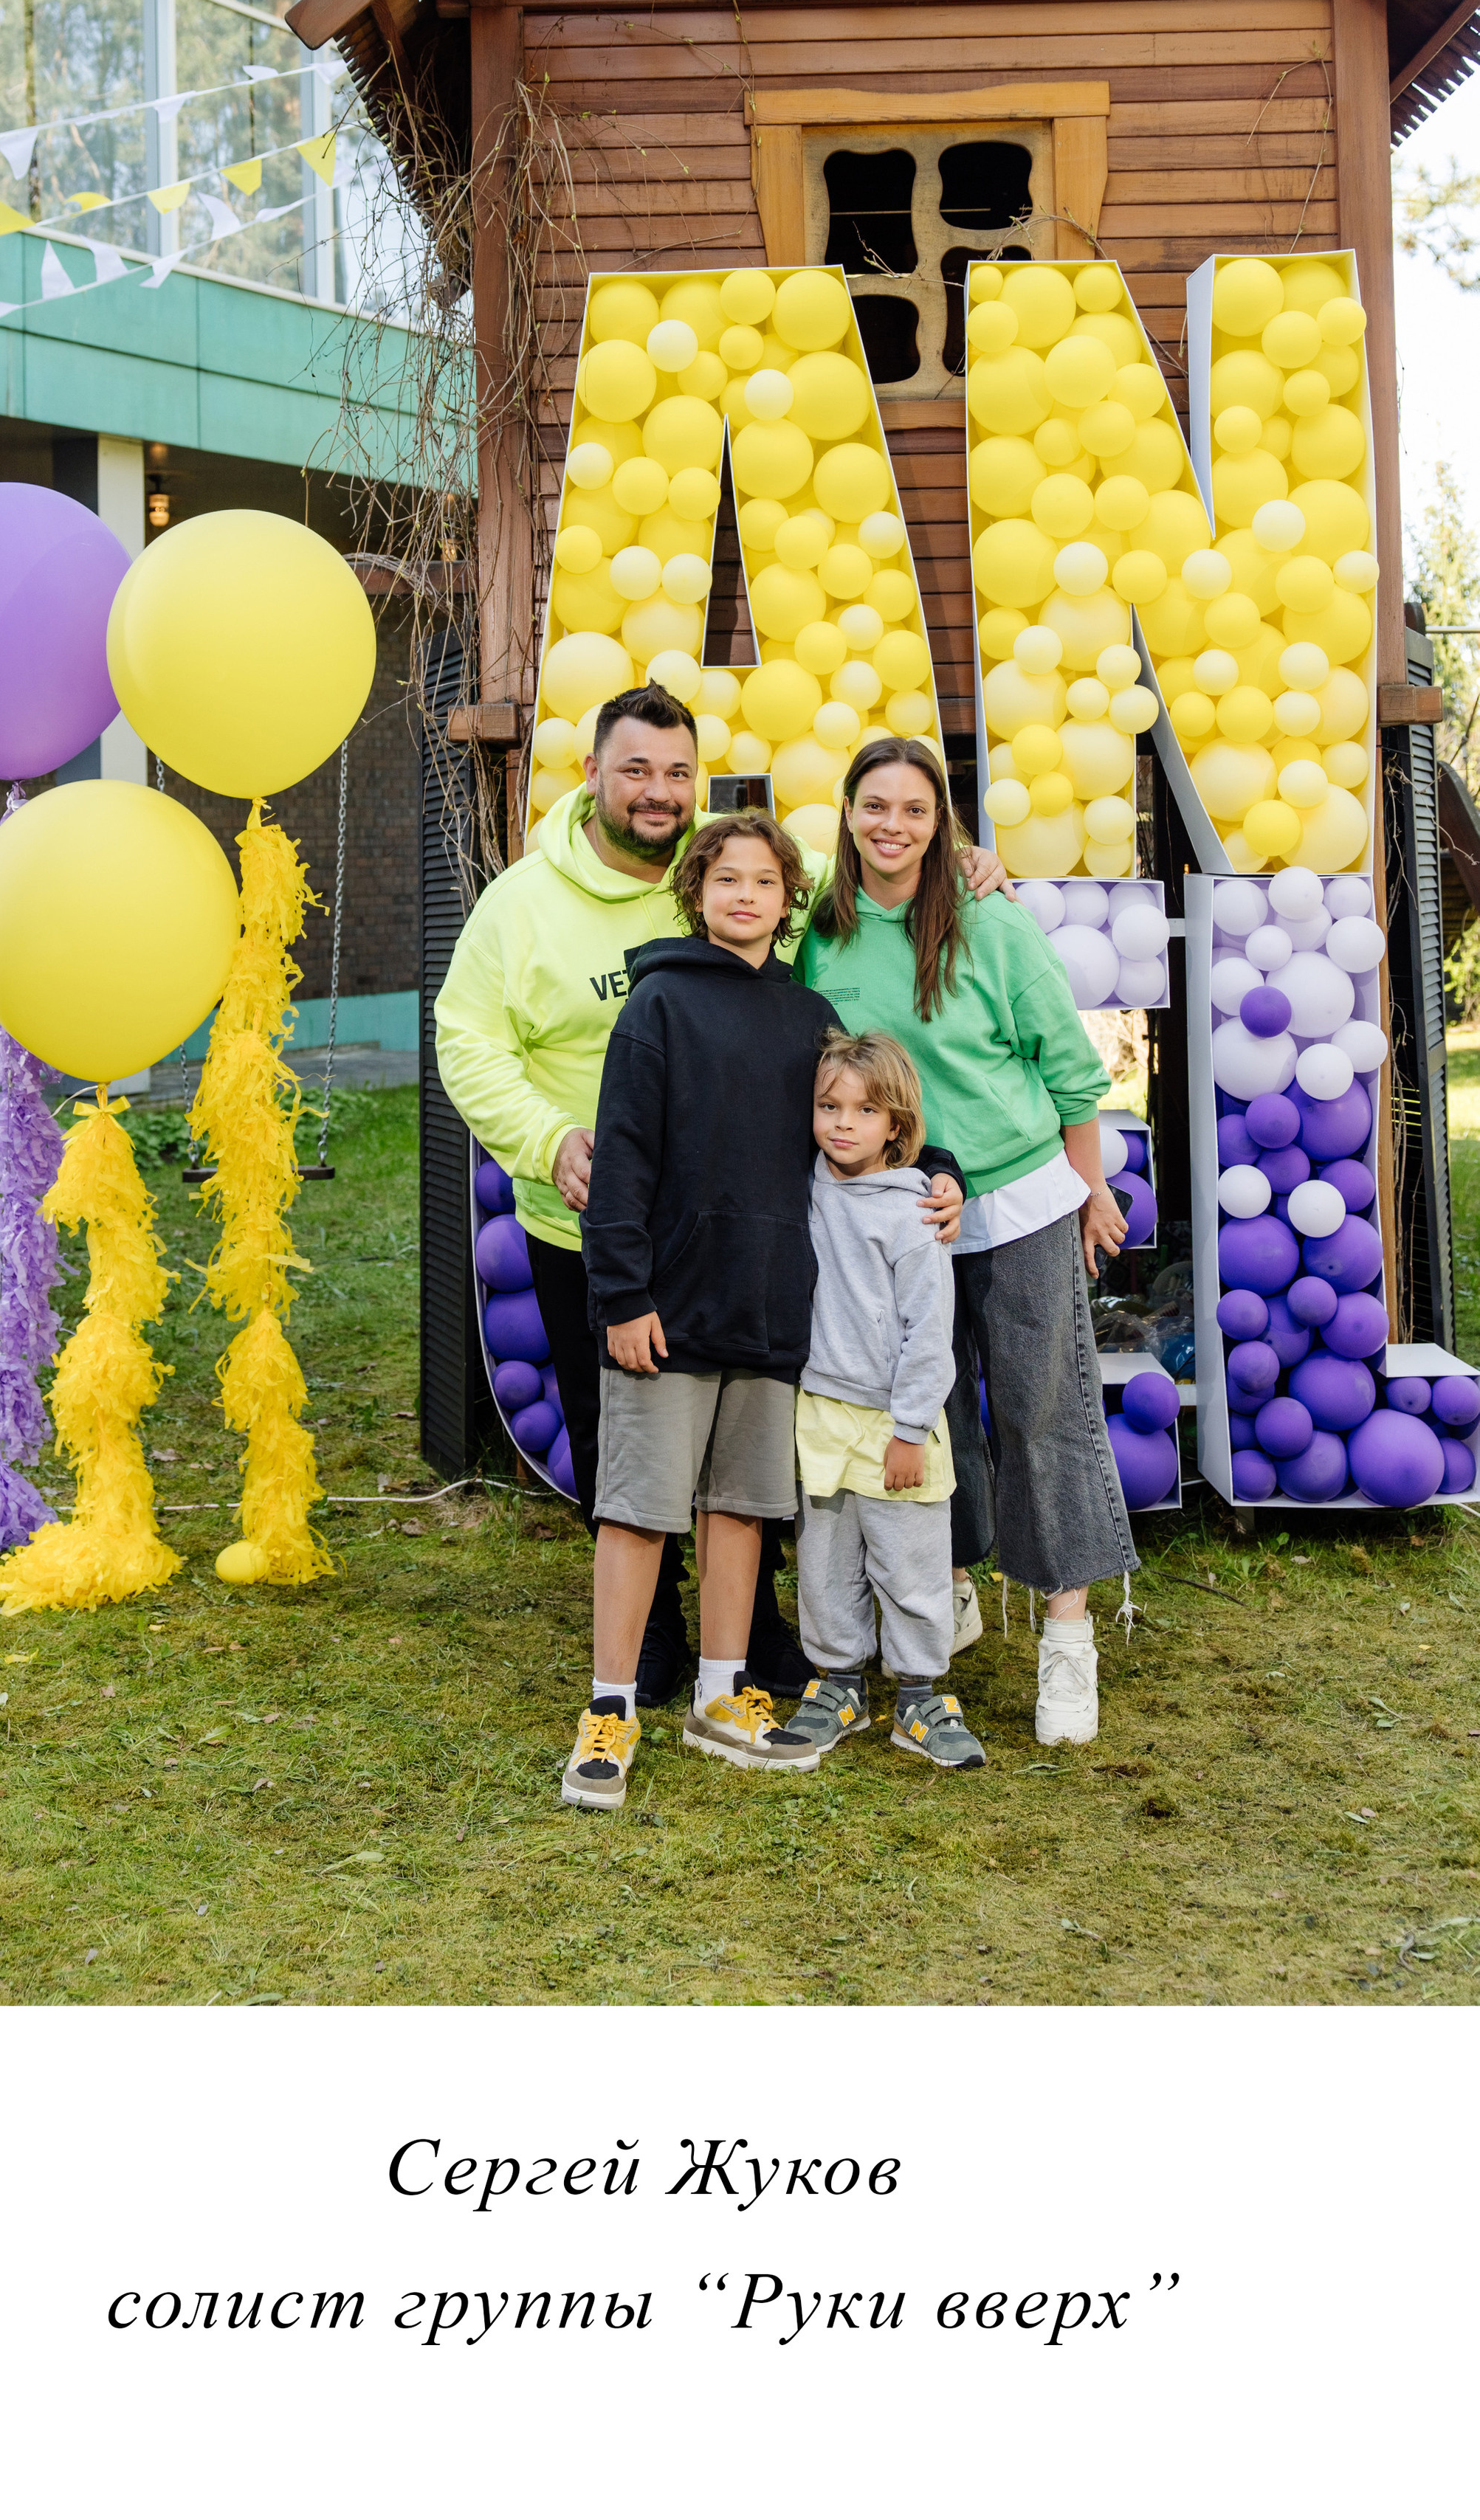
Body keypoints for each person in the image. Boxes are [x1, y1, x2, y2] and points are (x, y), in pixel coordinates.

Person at [436, 682, 998, 1702]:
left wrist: (955, 866)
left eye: (675, 774)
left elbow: (860, 873)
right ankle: (646, 1643)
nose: (657, 792)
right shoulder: (520, 903)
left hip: (743, 1234)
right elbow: (465, 1041)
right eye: (636, 771)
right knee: (626, 1443)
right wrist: (543, 1138)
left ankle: (748, 1638)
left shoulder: (735, 871)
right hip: (591, 1223)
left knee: (754, 1448)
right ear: (593, 776)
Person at [800, 736, 1135, 1747]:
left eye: (913, 809)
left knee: (1040, 1414)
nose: (891, 826)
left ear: (941, 822)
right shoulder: (821, 929)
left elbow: (1070, 1071)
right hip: (896, 1219)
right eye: (873, 806)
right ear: (847, 813)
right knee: (929, 1420)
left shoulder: (987, 920)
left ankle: (1067, 1637)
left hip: (1016, 1204)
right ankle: (944, 1591)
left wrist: (1087, 1188)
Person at [562, 810, 836, 1806]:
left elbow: (853, 1128)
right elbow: (622, 1156)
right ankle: (609, 1709)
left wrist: (926, 1164)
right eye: (727, 880)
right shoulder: (659, 1006)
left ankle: (724, 1698)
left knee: (740, 1509)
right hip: (664, 1311)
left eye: (765, 883)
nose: (746, 897)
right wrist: (622, 1294)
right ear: (697, 893)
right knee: (635, 1513)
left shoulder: (808, 1019)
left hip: (766, 1307)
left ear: (785, 899)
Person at [788, 1029, 985, 1769]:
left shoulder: (916, 1213)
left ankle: (919, 1697)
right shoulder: (801, 1185)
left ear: (896, 1125)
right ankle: (837, 1684)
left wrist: (908, 1427)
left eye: (865, 1110)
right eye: (828, 1106)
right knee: (825, 1561)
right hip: (820, 1412)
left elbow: (929, 1335)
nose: (842, 1123)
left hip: (897, 1421)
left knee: (910, 1566)